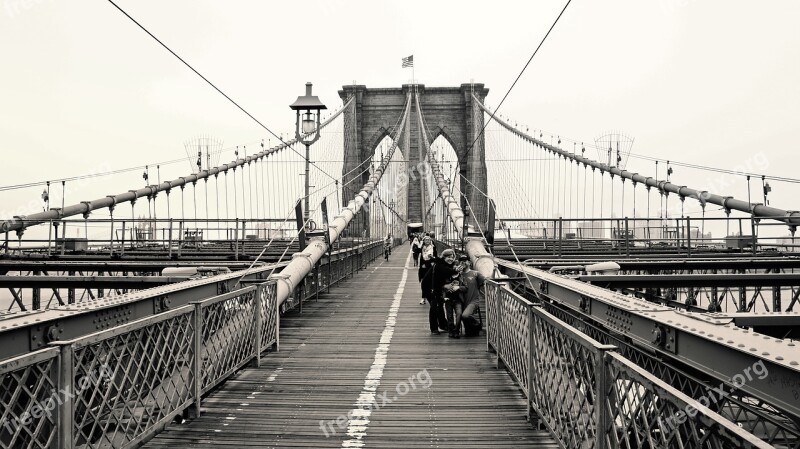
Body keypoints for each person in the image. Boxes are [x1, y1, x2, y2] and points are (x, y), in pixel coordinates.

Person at [428, 248, 460, 335]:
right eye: (448, 257)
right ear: (444, 257)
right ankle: (434, 328)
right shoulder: (440, 265)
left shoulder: (447, 264)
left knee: (439, 306)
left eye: (452, 257)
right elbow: (445, 271)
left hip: (438, 288)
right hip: (430, 288)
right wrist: (456, 270)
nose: (450, 259)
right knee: (434, 307)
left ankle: (443, 325)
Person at [454, 256, 486, 337]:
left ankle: (478, 325)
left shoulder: (475, 273)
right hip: (462, 301)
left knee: (465, 315)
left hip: (473, 300)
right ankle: (473, 329)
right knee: (467, 329)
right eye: (461, 261)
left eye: (465, 261)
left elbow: (485, 280)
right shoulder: (458, 275)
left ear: (469, 262)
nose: (463, 263)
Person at [417, 235, 437, 305]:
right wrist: (420, 244)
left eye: (429, 240)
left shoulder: (433, 248)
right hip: (423, 267)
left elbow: (436, 257)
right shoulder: (422, 247)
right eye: (426, 240)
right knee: (423, 283)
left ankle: (431, 297)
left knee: (431, 282)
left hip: (431, 266)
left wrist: (433, 259)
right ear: (424, 241)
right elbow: (416, 251)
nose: (427, 241)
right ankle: (423, 298)